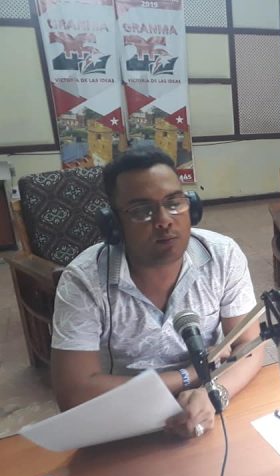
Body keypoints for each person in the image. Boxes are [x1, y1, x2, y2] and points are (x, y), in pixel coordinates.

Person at [51, 146, 264, 438]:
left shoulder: (222, 256)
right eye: (141, 211)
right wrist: (188, 377)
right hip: (127, 421)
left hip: (207, 411)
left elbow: (250, 347)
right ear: (113, 224)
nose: (164, 220)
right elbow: (74, 393)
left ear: (193, 206)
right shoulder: (84, 280)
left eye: (174, 203)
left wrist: (215, 394)